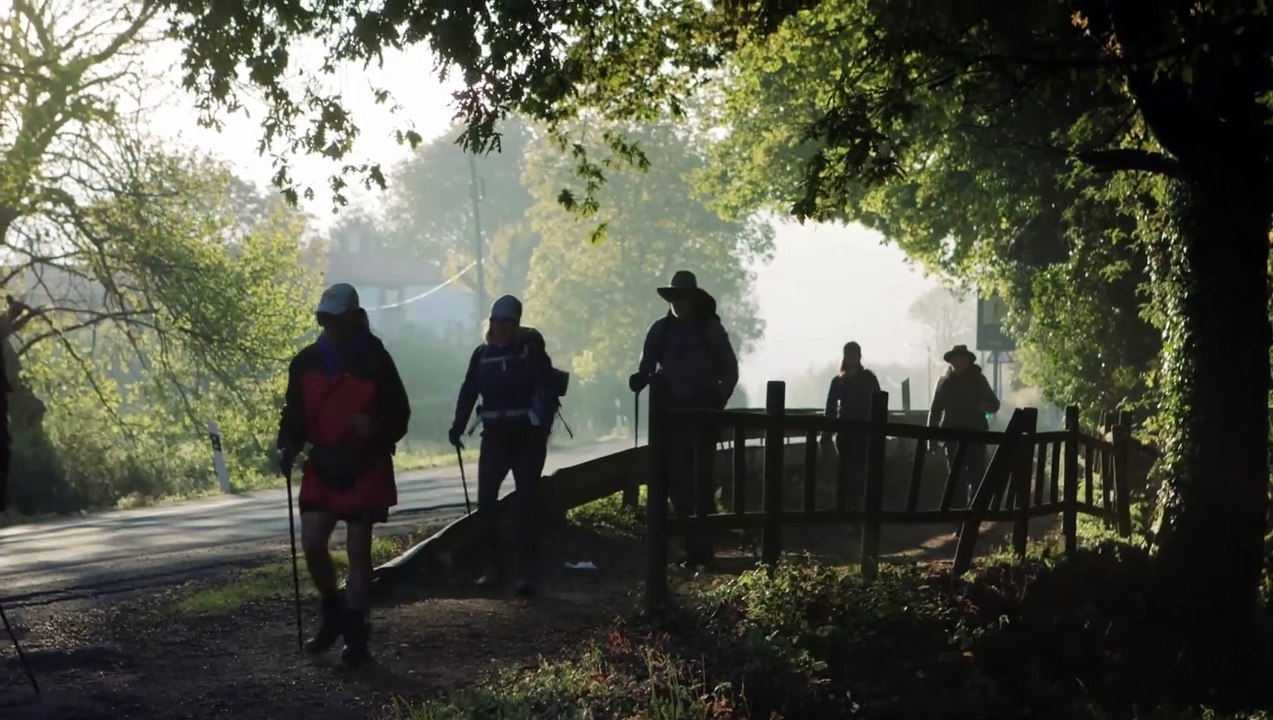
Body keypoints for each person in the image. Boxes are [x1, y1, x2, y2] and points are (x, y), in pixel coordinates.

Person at [277, 283, 411, 666]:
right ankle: (333, 609)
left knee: (357, 550)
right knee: (313, 542)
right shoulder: (305, 362)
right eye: (324, 319)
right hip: (324, 461)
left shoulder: (376, 358)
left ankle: (356, 632)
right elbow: (295, 413)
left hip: (365, 461)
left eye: (336, 319)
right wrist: (287, 443)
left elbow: (400, 414)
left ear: (353, 317)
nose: (330, 326)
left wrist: (377, 428)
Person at [449, 295, 561, 597]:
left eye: (505, 323)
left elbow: (548, 391)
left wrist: (541, 431)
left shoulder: (531, 353)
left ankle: (526, 574)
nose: (498, 328)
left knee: (526, 504)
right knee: (486, 503)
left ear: (515, 324)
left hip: (527, 439)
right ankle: (493, 568)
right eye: (495, 322)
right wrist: (458, 426)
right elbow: (469, 391)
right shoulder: (481, 355)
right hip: (495, 438)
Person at [629, 270, 739, 569]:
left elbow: (729, 369)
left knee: (701, 482)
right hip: (671, 419)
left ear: (692, 298)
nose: (678, 302)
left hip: (702, 417)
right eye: (675, 296)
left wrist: (718, 398)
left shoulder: (710, 330)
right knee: (676, 484)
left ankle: (701, 548)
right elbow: (647, 366)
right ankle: (690, 547)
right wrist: (641, 378)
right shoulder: (660, 331)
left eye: (682, 296)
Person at [927, 344, 1001, 509]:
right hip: (952, 435)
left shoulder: (978, 380)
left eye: (962, 359)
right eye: (956, 359)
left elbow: (994, 404)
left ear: (968, 361)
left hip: (975, 434)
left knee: (976, 474)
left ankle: (975, 513)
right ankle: (959, 514)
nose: (959, 362)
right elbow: (935, 410)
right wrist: (931, 438)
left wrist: (984, 405)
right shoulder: (944, 382)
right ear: (951, 361)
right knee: (956, 477)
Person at [822, 341, 882, 508]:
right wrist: (828, 432)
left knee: (857, 471)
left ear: (858, 356)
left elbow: (878, 403)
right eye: (847, 355)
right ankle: (850, 508)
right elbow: (831, 407)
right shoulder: (839, 381)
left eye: (852, 355)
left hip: (863, 432)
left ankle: (855, 507)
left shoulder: (868, 379)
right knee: (847, 472)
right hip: (845, 433)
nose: (849, 358)